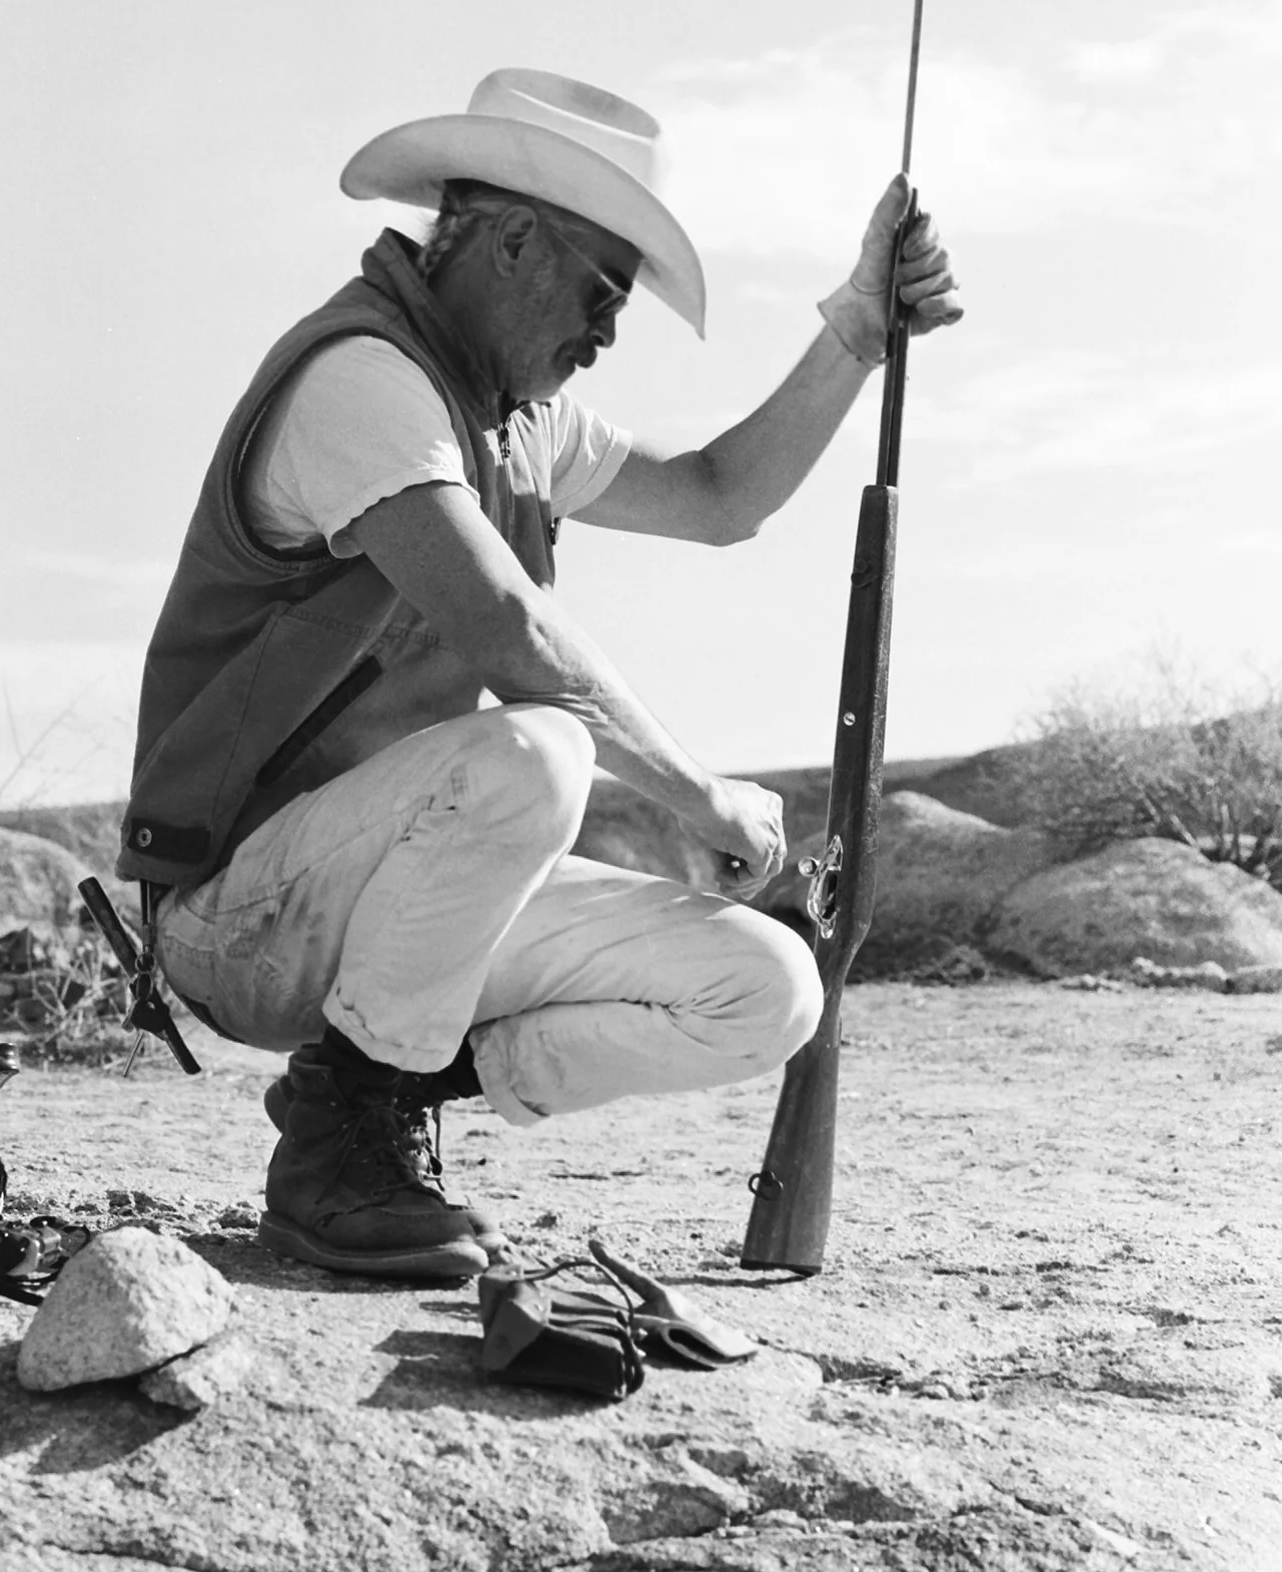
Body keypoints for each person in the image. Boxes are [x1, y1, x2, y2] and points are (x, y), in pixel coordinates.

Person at [116, 68, 962, 1279]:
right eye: (602, 289)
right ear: (511, 237)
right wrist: (695, 793)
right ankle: (342, 1158)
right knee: (537, 745)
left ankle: (351, 1088)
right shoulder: (362, 378)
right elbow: (509, 630)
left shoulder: (517, 420)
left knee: (764, 989)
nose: (609, 331)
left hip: (388, 915)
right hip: (237, 917)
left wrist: (854, 336)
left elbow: (723, 496)